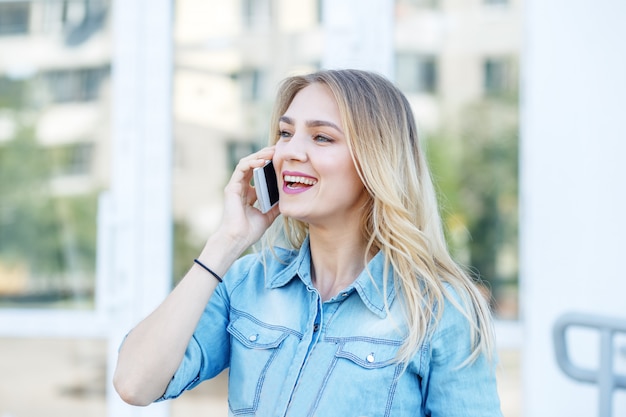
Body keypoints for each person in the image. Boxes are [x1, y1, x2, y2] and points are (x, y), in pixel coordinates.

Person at [113, 69, 503, 416]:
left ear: (375, 160)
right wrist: (226, 241)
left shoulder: (439, 309)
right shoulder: (248, 283)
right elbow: (134, 384)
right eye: (285, 133)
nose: (290, 152)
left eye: (321, 137)